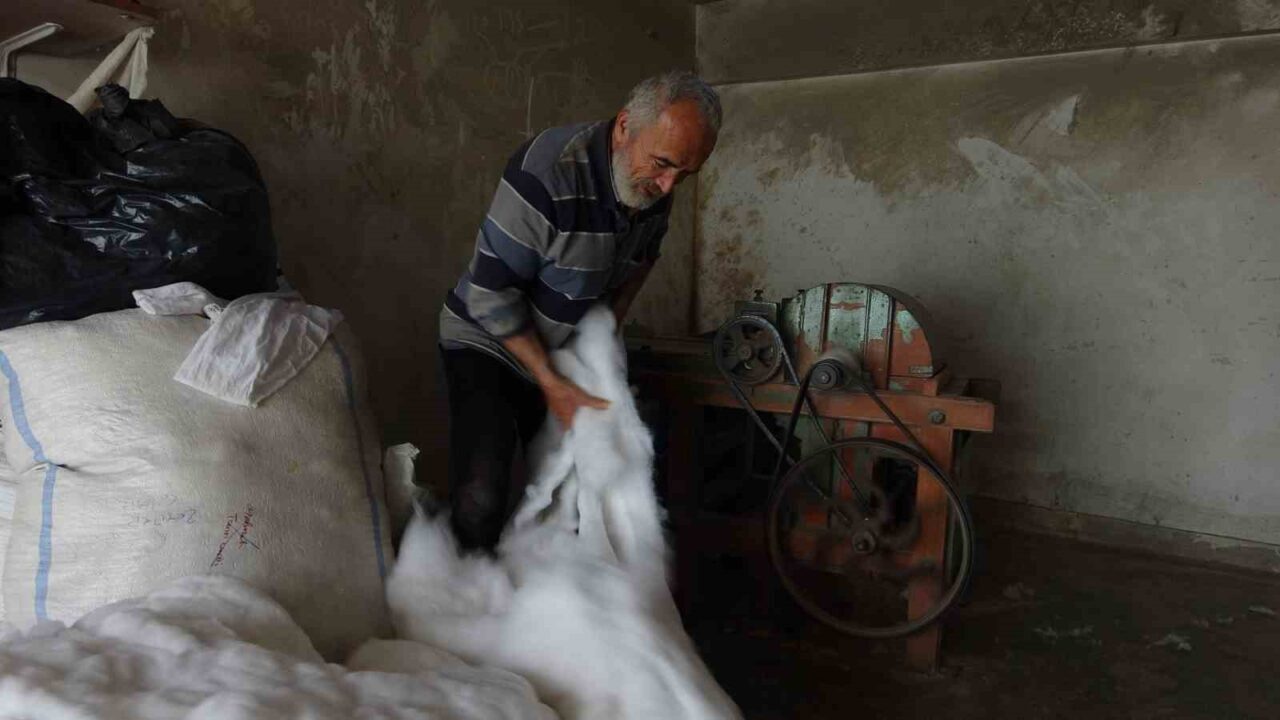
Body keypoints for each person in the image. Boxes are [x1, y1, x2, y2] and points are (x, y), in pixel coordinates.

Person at [438, 70, 721, 551]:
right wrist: (550, 382)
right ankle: (459, 607)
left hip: (559, 347)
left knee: (574, 493)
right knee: (482, 492)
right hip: (486, 339)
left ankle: (540, 604)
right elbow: (490, 294)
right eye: (663, 164)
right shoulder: (548, 173)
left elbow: (639, 264)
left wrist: (602, 345)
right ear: (624, 127)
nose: (670, 185)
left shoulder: (651, 189)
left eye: (685, 175)